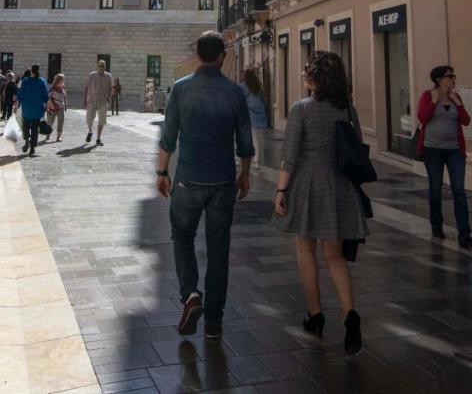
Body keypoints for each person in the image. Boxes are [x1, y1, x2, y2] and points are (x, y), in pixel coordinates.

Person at [156, 31, 254, 341]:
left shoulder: (181, 90)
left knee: (182, 236)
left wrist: (162, 171)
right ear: (222, 56)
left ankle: (190, 294)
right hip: (223, 180)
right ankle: (214, 321)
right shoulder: (236, 93)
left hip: (187, 179)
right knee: (218, 249)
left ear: (198, 56)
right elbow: (246, 142)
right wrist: (245, 173)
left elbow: (169, 135)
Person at [272, 52, 367, 357]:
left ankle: (315, 315)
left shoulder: (301, 109)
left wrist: (280, 189)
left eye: (307, 73)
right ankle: (351, 316)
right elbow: (356, 148)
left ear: (317, 78)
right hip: (340, 185)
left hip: (309, 185)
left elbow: (289, 153)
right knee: (335, 256)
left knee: (305, 251)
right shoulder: (348, 110)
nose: (304, 78)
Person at [417, 64, 472, 250]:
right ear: (438, 80)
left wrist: (458, 104)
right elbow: (422, 118)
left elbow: (466, 121)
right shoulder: (428, 95)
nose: (453, 79)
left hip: (455, 151)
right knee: (435, 189)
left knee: (459, 190)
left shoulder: (455, 97)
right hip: (432, 150)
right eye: (449, 76)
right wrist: (434, 102)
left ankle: (465, 234)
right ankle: (436, 225)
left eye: (453, 76)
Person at [239, 70, 269, 167]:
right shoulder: (258, 85)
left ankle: (249, 161)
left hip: (250, 115)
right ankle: (256, 161)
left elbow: (238, 97)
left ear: (245, 77)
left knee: (249, 138)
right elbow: (263, 99)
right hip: (260, 115)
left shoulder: (243, 86)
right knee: (258, 138)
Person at [18, 64, 50, 156]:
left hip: (27, 108)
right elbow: (45, 95)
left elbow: (21, 94)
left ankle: (27, 139)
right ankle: (32, 148)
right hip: (37, 108)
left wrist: (17, 103)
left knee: (25, 126)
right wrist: (47, 106)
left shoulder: (25, 81)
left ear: (31, 71)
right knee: (35, 129)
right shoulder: (42, 81)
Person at [82, 60, 113, 146]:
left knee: (102, 121)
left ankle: (98, 138)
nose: (101, 67)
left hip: (102, 102)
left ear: (105, 67)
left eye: (103, 66)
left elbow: (111, 88)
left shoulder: (108, 76)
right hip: (92, 101)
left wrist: (108, 97)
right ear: (97, 66)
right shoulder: (92, 75)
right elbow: (86, 87)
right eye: (99, 66)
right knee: (89, 119)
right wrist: (85, 99)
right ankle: (90, 131)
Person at [45, 73, 67, 143]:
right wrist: (49, 106)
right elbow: (48, 98)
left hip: (61, 108)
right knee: (50, 122)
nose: (63, 81)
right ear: (58, 80)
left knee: (60, 122)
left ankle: (58, 137)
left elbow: (64, 96)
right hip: (52, 108)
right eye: (62, 79)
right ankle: (48, 135)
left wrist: (65, 104)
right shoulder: (52, 88)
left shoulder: (63, 87)